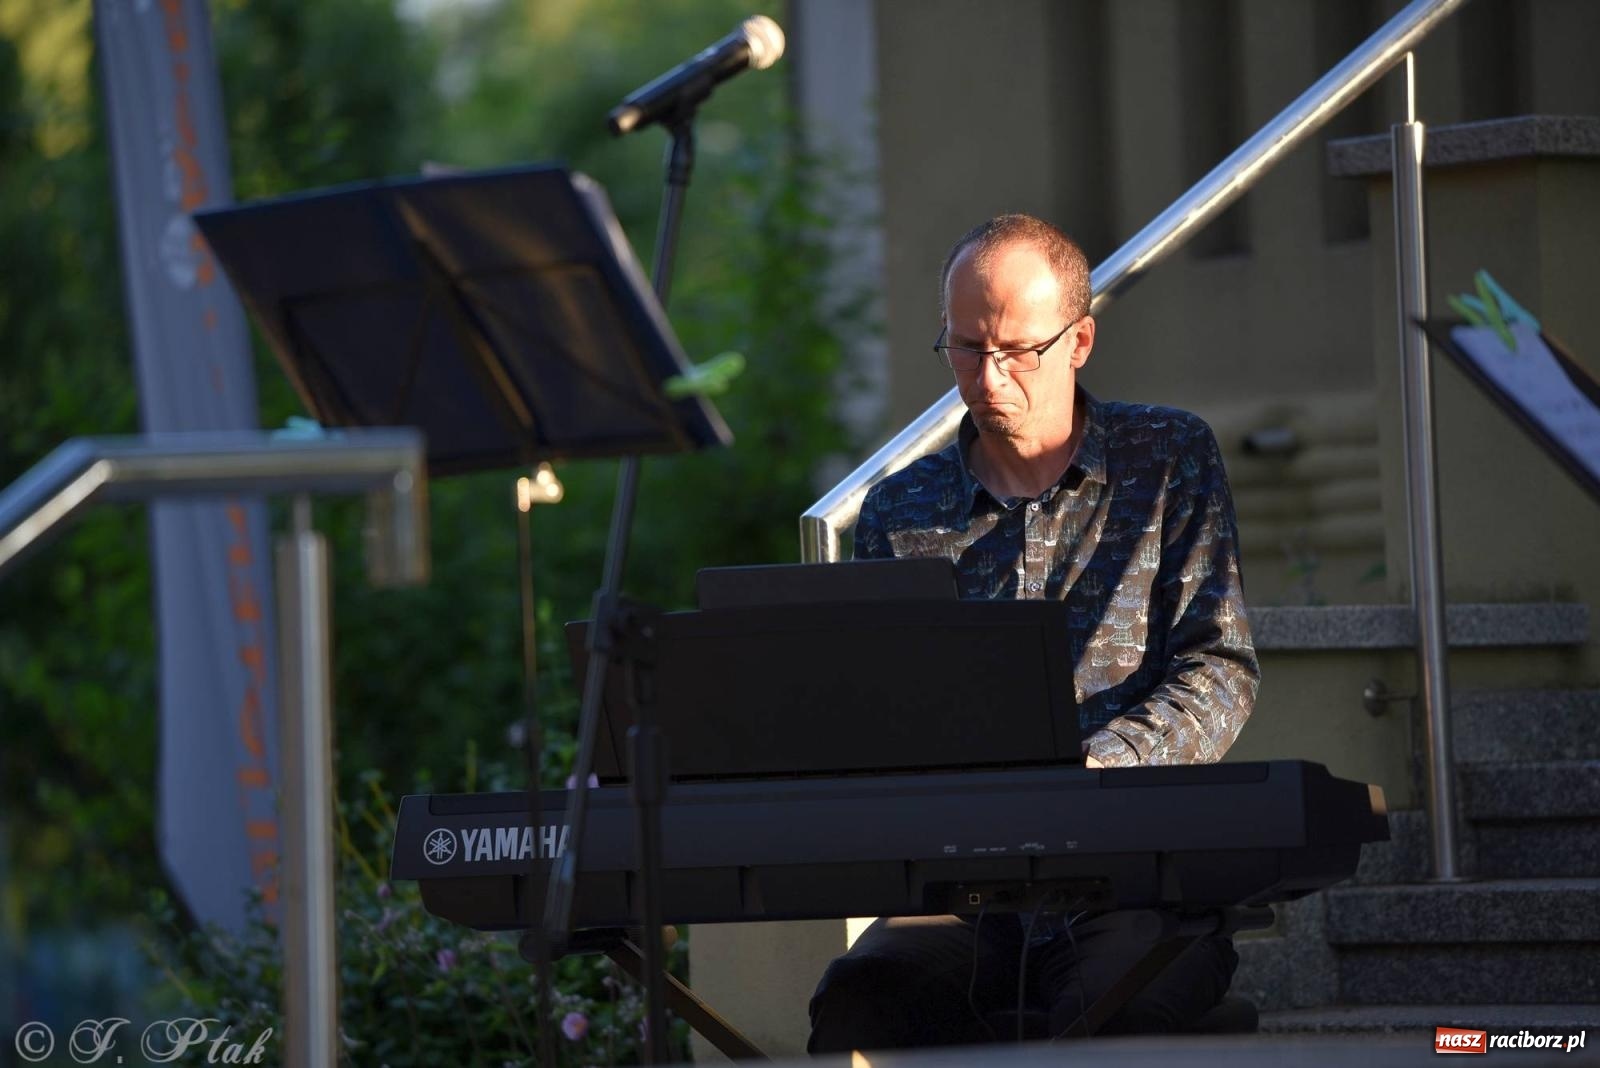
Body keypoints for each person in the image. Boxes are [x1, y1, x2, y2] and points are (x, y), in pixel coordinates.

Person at [807, 214, 1260, 1052]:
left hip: (1131, 871)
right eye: (965, 347)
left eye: (1017, 350)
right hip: (970, 884)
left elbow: (1219, 668)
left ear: (1080, 340)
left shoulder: (1167, 457)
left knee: (1111, 1011)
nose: (988, 376)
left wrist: (1098, 770)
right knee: (857, 1002)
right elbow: (880, 713)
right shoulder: (899, 511)